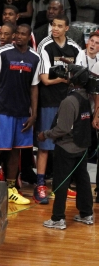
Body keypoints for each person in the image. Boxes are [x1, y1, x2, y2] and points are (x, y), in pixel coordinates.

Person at [0, 23, 40, 205]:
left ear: (29, 37)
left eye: (23, 34)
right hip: (2, 110)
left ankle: (10, 188)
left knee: (15, 151)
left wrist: (33, 113)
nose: (19, 36)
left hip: (23, 112)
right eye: (17, 33)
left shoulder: (35, 58)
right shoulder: (3, 53)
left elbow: (34, 87)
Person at [35, 14, 86, 203]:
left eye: (59, 26)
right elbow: (46, 80)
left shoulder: (75, 47)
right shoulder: (45, 46)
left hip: (70, 101)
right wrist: (67, 77)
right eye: (53, 25)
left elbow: (80, 75)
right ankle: (40, 185)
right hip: (49, 100)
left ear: (67, 28)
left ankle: (60, 184)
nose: (54, 29)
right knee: (45, 145)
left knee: (64, 145)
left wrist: (66, 77)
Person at [38, 65, 94, 229]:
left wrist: (45, 134)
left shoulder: (69, 101)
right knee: (83, 181)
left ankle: (58, 219)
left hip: (67, 148)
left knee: (60, 182)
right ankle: (86, 214)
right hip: (82, 148)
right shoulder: (86, 97)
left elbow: (62, 129)